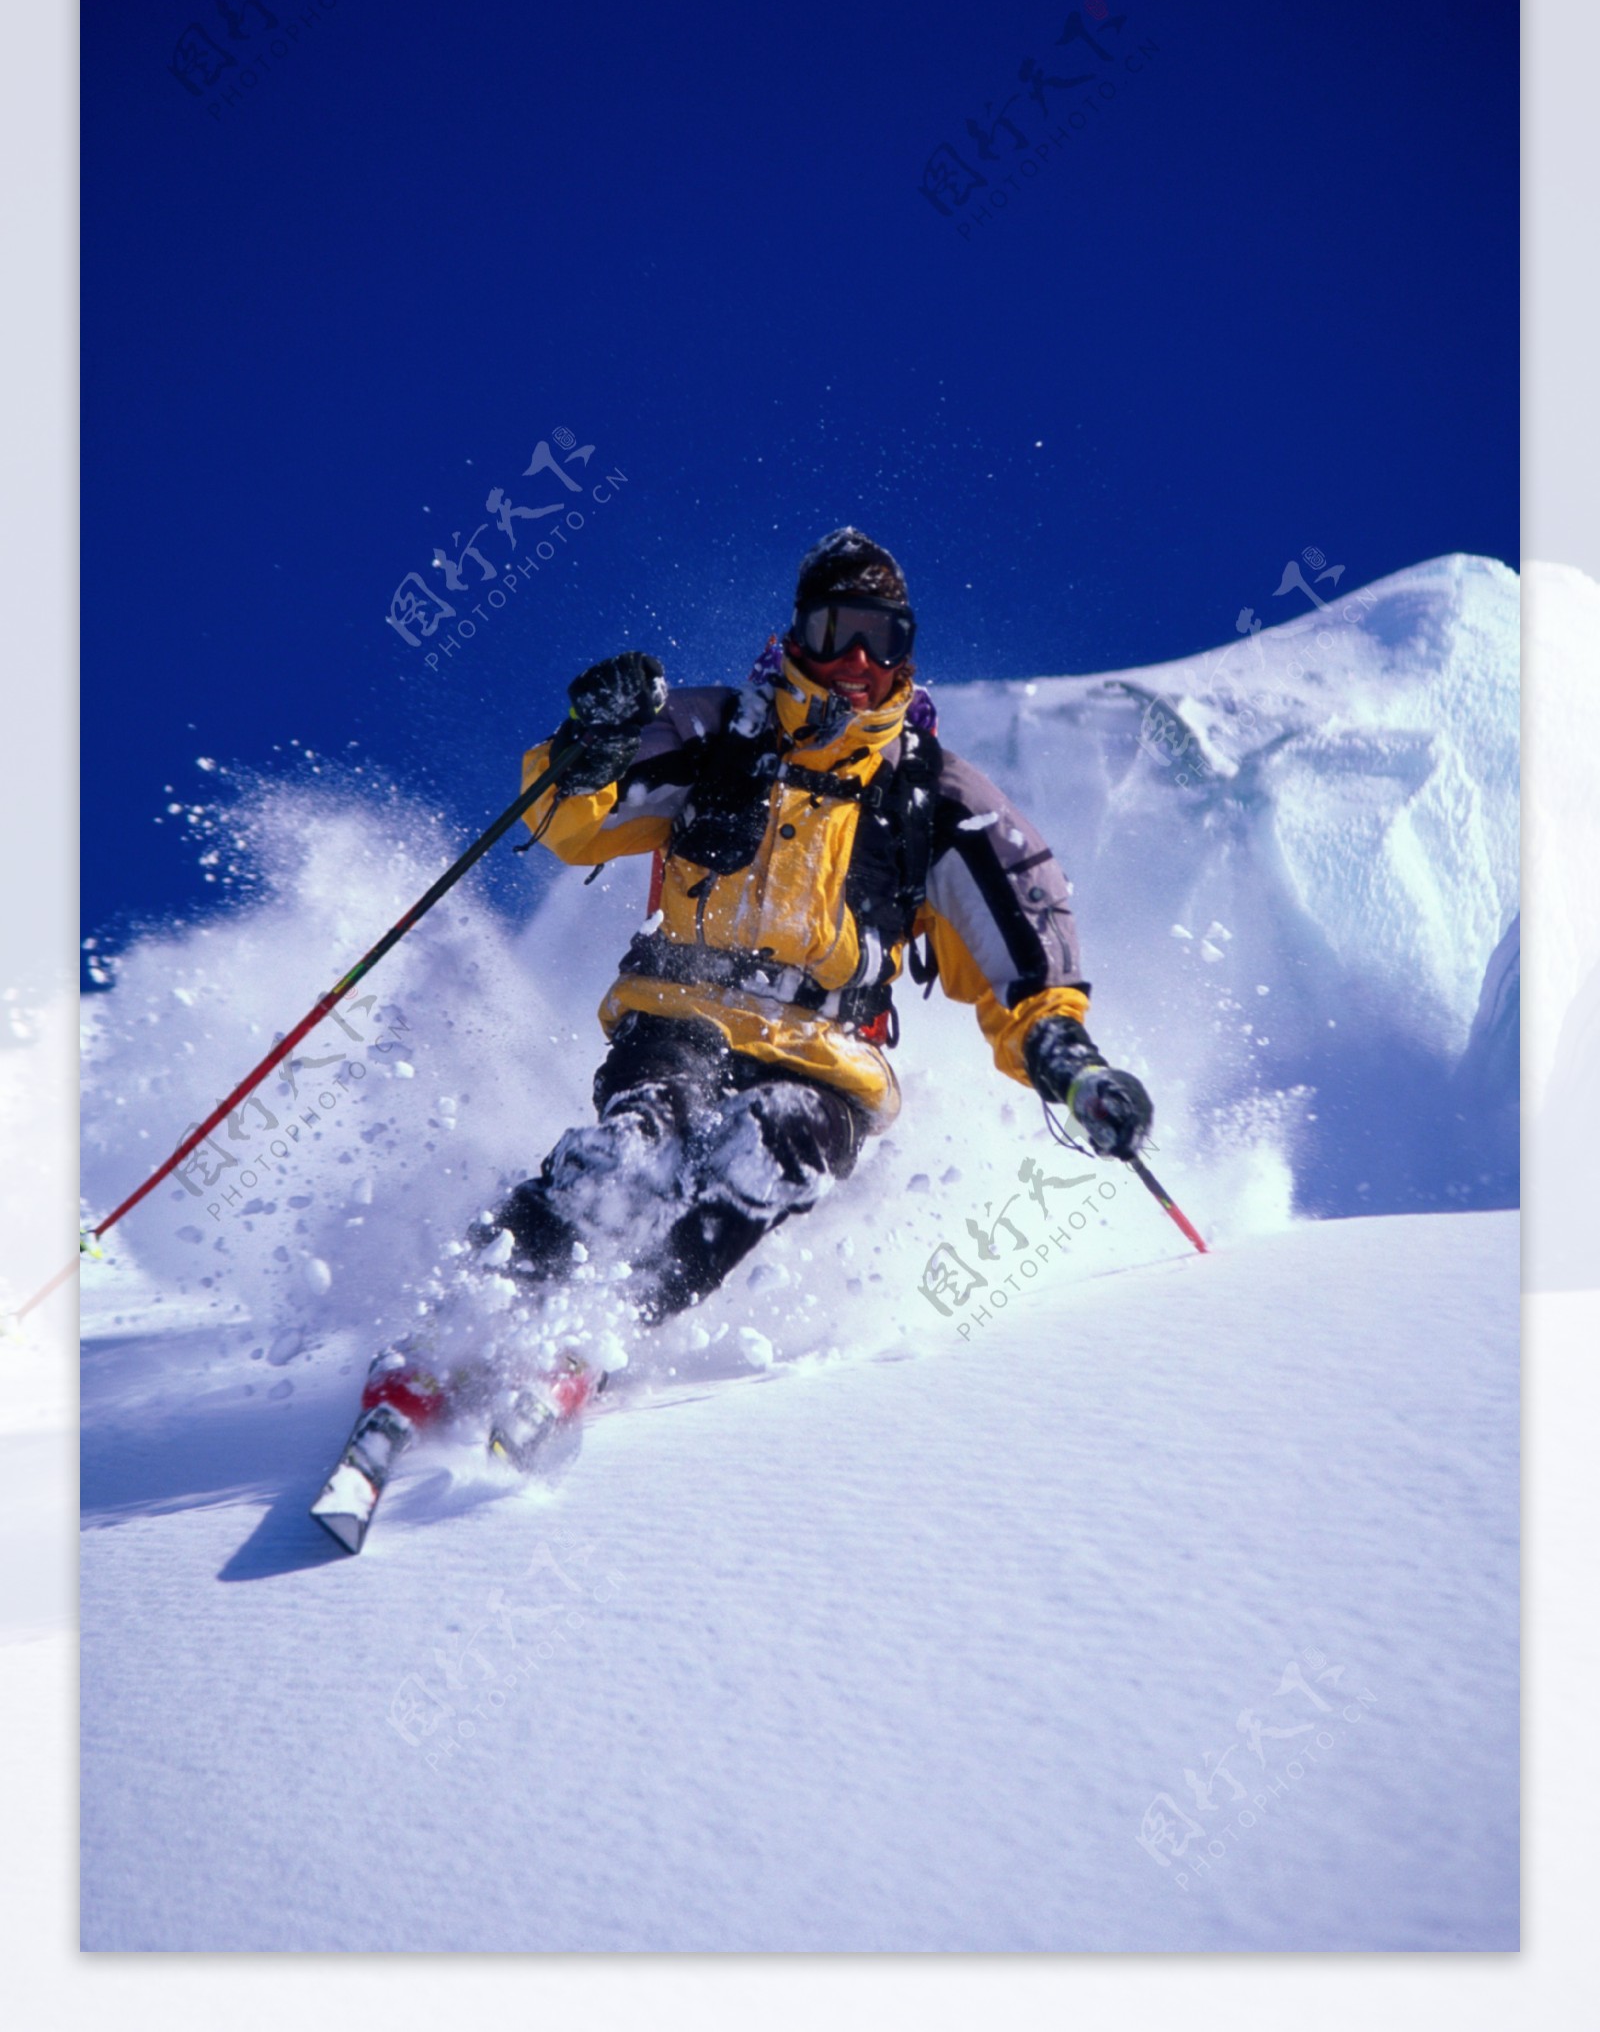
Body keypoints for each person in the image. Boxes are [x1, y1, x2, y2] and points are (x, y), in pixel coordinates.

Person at [313, 529, 1151, 1545]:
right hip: (681, 1015)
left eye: (880, 640)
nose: (856, 665)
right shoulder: (719, 731)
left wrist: (1065, 1059)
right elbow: (572, 819)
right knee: (634, 1142)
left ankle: (601, 1335)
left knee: (769, 1150)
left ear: (907, 653)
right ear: (794, 634)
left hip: (828, 1059)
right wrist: (589, 741)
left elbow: (1021, 942)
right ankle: (452, 1327)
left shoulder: (932, 795)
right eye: (835, 633)